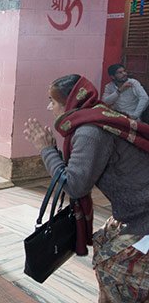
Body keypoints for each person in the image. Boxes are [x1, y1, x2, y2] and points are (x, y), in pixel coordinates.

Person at [24, 74, 149, 302]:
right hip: (135, 209)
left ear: (68, 103)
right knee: (103, 241)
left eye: (52, 101)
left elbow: (74, 186)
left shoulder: (89, 132)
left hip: (143, 213)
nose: (48, 106)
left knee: (112, 268)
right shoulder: (95, 115)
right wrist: (52, 149)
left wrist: (45, 149)